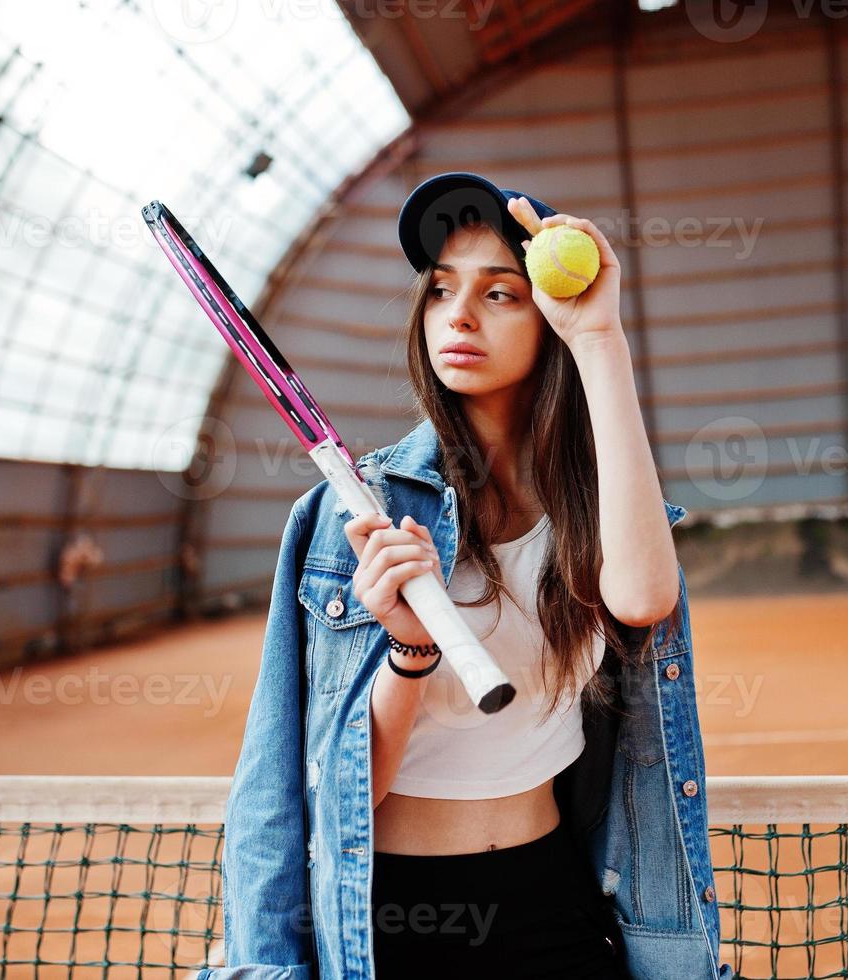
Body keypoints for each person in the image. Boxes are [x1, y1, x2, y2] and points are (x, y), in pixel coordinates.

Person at [201, 172, 732, 980]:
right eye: (440, 289)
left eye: (501, 293)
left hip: (554, 898)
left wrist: (598, 340)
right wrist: (409, 653)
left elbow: (643, 599)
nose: (458, 314)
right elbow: (320, 786)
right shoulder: (355, 516)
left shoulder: (595, 508)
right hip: (389, 919)